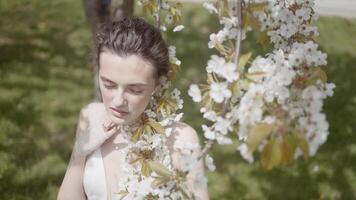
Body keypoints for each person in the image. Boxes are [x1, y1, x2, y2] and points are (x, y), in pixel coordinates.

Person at [57, 17, 209, 200]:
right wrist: (79, 155)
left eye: (134, 90)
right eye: (109, 85)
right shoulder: (89, 115)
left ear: (157, 85)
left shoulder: (182, 140)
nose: (118, 101)